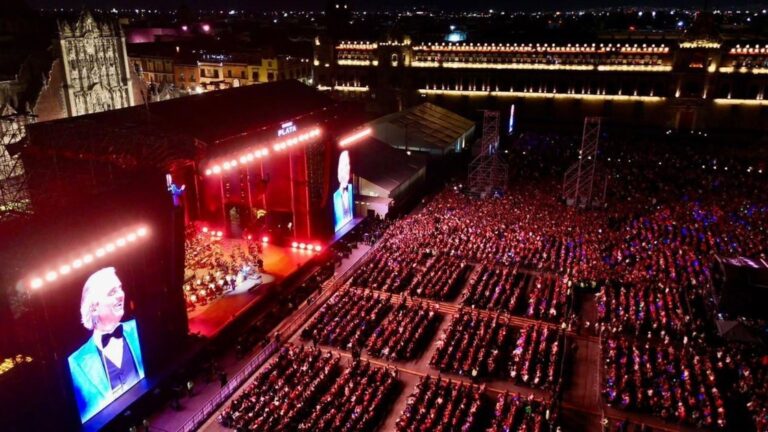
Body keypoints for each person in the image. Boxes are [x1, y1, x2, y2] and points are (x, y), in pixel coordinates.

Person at [68, 267, 145, 423]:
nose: (121, 295)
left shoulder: (138, 329)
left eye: (120, 288)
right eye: (112, 292)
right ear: (94, 307)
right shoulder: (75, 364)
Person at [333, 150, 353, 231]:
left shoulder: (350, 190)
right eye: (344, 166)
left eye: (348, 165)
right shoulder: (335, 197)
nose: (347, 170)